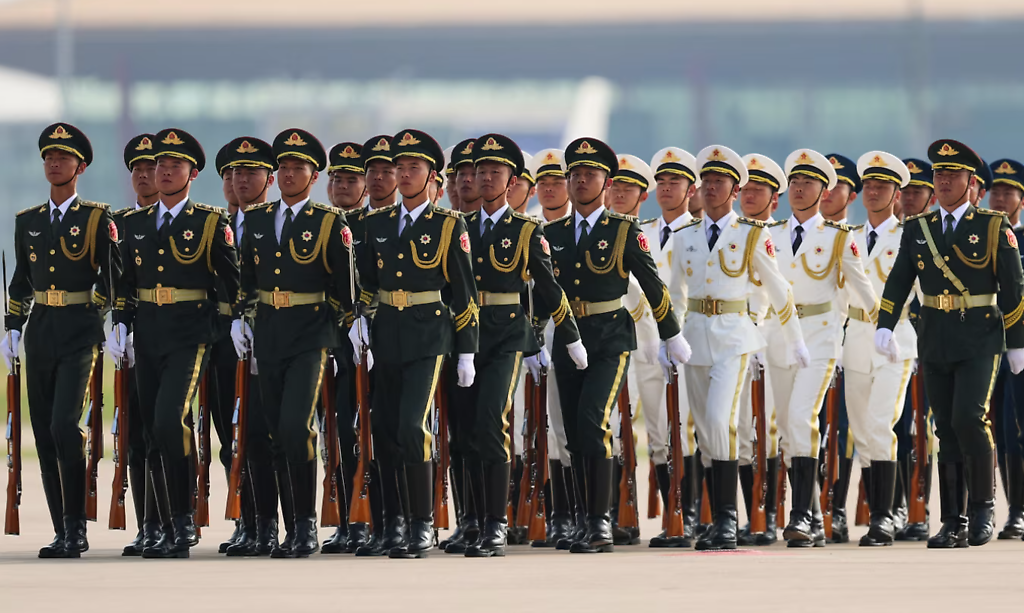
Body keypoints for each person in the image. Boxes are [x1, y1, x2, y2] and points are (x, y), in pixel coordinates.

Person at [542, 137, 688, 554]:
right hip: (567, 338)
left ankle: (599, 522)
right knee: (572, 432)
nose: (581, 181)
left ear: (606, 183)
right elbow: (542, 292)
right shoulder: (551, 233)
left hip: (609, 337)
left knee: (593, 422)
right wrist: (533, 339)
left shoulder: (623, 230)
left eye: (590, 175)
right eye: (575, 174)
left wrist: (671, 333)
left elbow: (652, 285)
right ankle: (582, 519)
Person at [876, 139, 1024, 548]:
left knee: (969, 418)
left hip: (980, 337)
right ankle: (952, 521)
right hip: (935, 336)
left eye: (952, 175)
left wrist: (1017, 343)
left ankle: (982, 510)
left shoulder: (993, 226)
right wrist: (885, 323)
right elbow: (899, 280)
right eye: (939, 174)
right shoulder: (918, 228)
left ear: (971, 182)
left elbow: (1013, 288)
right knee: (944, 426)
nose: (943, 182)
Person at [450, 133, 584, 557]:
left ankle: (496, 524)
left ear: (511, 182)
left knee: (492, 422)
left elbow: (548, 287)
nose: (486, 178)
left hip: (506, 335)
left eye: (496, 172)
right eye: (481, 171)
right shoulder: (456, 227)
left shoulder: (526, 229)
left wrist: (570, 336)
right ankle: (472, 519)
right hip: (464, 336)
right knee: (466, 431)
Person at [668, 146, 808, 550]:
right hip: (694, 336)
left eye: (720, 182)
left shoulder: (751, 234)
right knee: (704, 431)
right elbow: (674, 294)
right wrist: (669, 337)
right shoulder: (684, 236)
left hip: (734, 335)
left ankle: (728, 519)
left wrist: (795, 338)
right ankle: (718, 519)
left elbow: (778, 290)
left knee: (720, 420)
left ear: (735, 190)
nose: (711, 188)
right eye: (707, 182)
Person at [108, 128, 238, 558]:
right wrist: (120, 324)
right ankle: (162, 525)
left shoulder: (209, 222)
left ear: (192, 174)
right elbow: (125, 283)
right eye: (160, 164)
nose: (164, 171)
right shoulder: (132, 225)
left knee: (169, 421)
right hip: (147, 334)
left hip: (191, 334)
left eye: (175, 165)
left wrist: (234, 325)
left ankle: (183, 519)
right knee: (149, 430)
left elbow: (231, 283)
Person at [350, 129, 478, 559]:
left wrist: (466, 350)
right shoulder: (376, 223)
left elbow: (464, 293)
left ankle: (423, 524)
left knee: (411, 426)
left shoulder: (448, 224)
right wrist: (359, 318)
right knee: (384, 430)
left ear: (431, 176)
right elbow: (367, 282)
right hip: (387, 333)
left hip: (429, 335)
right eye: (399, 168)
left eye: (413, 168)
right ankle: (392, 524)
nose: (404, 175)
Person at [229, 129, 353, 558]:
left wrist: (341, 332)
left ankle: (305, 525)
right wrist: (242, 318)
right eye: (282, 167)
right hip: (268, 334)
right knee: (273, 432)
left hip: (310, 334)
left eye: (297, 168)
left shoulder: (328, 222)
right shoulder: (258, 219)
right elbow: (246, 279)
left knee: (296, 426)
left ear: (313, 176)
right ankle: (285, 526)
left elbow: (344, 286)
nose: (287, 174)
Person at [2, 123, 121, 558]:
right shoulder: (28, 221)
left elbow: (111, 277)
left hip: (79, 330)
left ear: (80, 167)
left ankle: (76, 526)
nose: (55, 164)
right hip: (41, 331)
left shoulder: (96, 218)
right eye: (49, 158)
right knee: (43, 431)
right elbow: (21, 280)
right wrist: (13, 326)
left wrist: (102, 316)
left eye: (63, 158)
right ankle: (60, 530)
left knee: (64, 425)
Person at [765, 148, 877, 547]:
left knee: (801, 417)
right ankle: (812, 514)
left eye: (808, 182)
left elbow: (864, 291)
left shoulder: (838, 238)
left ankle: (799, 514)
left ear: (824, 191)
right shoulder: (770, 234)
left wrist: (885, 331)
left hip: (820, 336)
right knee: (785, 428)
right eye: (794, 182)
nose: (798, 189)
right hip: (778, 335)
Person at [840, 152, 915, 546]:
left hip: (895, 338)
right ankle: (878, 510)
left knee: (881, 424)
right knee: (862, 431)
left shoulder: (910, 236)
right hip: (855, 337)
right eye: (868, 185)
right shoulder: (847, 237)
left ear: (896, 194)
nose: (873, 192)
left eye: (882, 186)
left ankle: (884, 517)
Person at [113, 133, 168, 557]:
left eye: (151, 168)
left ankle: (171, 518)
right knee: (135, 434)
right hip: (132, 340)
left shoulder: (178, 222)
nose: (144, 175)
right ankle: (146, 524)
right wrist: (117, 326)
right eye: (138, 169)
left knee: (166, 429)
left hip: (172, 339)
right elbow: (114, 283)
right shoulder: (119, 225)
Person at [523, 148, 576, 548]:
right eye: (542, 182)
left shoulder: (583, 228)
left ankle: (577, 511)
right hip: (535, 339)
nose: (549, 189)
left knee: (570, 428)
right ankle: (555, 513)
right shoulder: (528, 228)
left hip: (575, 336)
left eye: (557, 182)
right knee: (545, 430)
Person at [734, 152, 787, 546]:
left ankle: (769, 513)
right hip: (736, 340)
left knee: (770, 428)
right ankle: (751, 511)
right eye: (745, 189)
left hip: (774, 340)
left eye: (758, 190)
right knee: (740, 430)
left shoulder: (781, 236)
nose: (749, 196)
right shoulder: (728, 233)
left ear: (774, 199)